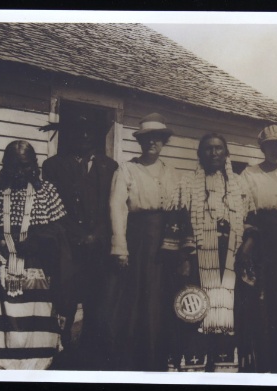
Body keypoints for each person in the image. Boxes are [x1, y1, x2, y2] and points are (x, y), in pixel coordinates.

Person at [163, 133, 256, 373]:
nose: (214, 153)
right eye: (208, 149)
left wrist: (245, 248)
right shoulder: (187, 183)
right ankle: (194, 367)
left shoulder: (239, 184)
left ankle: (223, 368)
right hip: (197, 256)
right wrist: (183, 259)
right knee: (195, 308)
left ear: (226, 154)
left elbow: (251, 222)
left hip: (230, 257)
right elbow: (178, 221)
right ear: (200, 154)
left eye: (218, 149)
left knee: (228, 310)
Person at [42, 112, 118, 369]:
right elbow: (51, 207)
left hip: (99, 249)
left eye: (90, 131)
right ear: (70, 133)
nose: (84, 136)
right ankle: (61, 358)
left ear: (97, 135)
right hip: (67, 248)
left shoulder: (110, 167)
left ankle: (93, 362)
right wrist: (77, 235)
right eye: (78, 130)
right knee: (65, 304)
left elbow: (114, 207)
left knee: (97, 308)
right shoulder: (53, 166)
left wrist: (96, 234)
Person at [105, 112, 179, 371]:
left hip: (164, 243)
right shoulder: (128, 169)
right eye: (147, 139)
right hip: (137, 240)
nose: (152, 144)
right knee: (135, 297)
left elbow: (177, 209)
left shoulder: (171, 173)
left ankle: (157, 357)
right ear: (140, 141)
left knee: (159, 298)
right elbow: (117, 207)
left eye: (157, 139)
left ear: (163, 142)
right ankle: (130, 359)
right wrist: (120, 247)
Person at [0, 140, 74, 370]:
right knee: (5, 336)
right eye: (14, 166)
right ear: (5, 166)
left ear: (34, 166)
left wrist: (32, 243)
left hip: (39, 275)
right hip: (2, 273)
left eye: (26, 166)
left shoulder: (47, 192)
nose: (20, 172)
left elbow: (59, 241)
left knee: (38, 336)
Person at [239, 124, 277, 373]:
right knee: (256, 298)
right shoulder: (249, 174)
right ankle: (257, 360)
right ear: (262, 147)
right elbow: (243, 207)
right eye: (270, 145)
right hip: (257, 236)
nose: (275, 150)